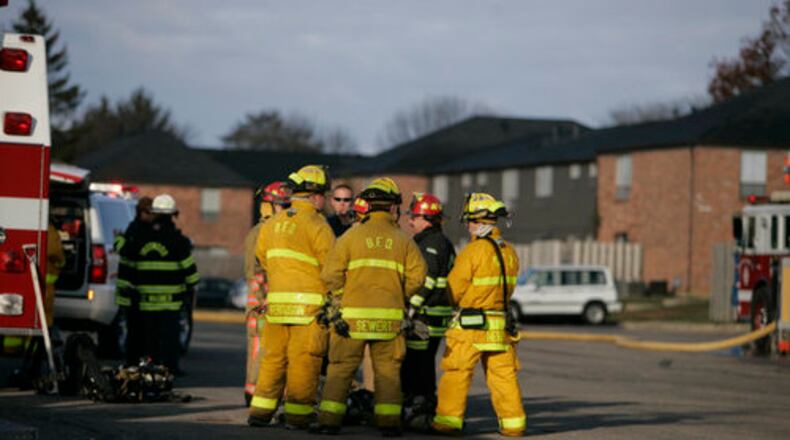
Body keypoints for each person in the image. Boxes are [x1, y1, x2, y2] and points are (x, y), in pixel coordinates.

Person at [313, 177, 427, 437]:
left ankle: (329, 422)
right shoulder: (404, 241)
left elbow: (330, 274)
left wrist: (343, 296)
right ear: (392, 208)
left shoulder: (350, 237)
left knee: (340, 369)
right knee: (387, 372)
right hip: (390, 321)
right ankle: (389, 424)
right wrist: (400, 295)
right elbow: (418, 277)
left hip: (350, 321)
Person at [431, 193, 526, 437]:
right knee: (503, 376)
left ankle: (447, 423)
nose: (467, 226)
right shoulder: (510, 252)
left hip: (471, 326)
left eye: (469, 221)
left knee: (457, 373)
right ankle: (514, 425)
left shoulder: (473, 252)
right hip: (500, 325)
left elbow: (454, 288)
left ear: (478, 221)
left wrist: (446, 300)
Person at [248, 165, 335, 429]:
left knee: (273, 359)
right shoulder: (318, 225)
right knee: (303, 361)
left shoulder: (272, 223)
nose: (326, 200)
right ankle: (298, 416)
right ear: (314, 195)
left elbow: (261, 257)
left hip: (276, 306)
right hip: (308, 310)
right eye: (324, 194)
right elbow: (332, 268)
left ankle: (260, 413)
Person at [121, 194, 199, 374]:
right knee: (169, 337)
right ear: (173, 215)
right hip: (170, 303)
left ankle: (148, 365)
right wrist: (191, 286)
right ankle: (169, 368)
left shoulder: (138, 237)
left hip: (144, 302)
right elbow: (190, 271)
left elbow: (129, 265)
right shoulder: (178, 240)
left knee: (147, 337)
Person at [400, 193, 455, 428]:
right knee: (422, 361)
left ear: (426, 218)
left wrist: (412, 308)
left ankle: (420, 404)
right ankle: (423, 403)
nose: (411, 221)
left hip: (426, 314)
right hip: (435, 313)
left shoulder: (430, 244)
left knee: (417, 361)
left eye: (414, 217)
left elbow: (428, 279)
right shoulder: (439, 240)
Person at [242, 181, 290, 406]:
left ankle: (269, 392)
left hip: (276, 301)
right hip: (260, 304)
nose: (286, 209)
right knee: (259, 349)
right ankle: (253, 392)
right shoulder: (259, 232)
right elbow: (253, 272)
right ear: (267, 206)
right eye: (281, 205)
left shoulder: (280, 230)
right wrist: (263, 299)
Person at [115, 196, 154, 365]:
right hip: (133, 290)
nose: (152, 216)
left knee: (141, 330)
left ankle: (138, 360)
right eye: (149, 212)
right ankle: (133, 361)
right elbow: (129, 251)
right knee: (135, 330)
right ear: (141, 212)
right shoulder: (137, 229)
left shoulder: (137, 229)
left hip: (136, 290)